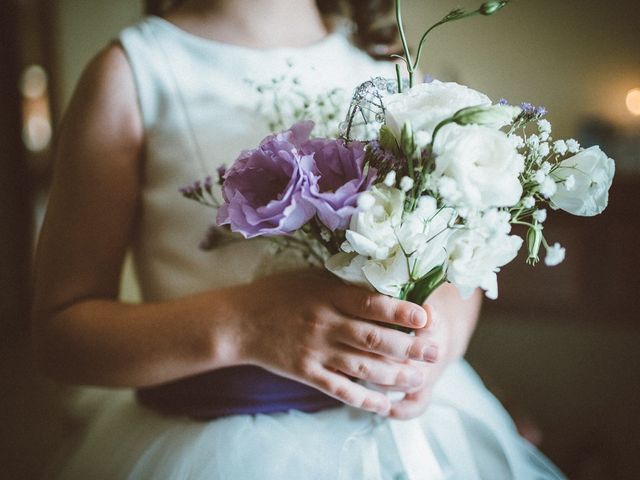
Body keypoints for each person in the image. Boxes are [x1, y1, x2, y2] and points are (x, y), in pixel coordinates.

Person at [32, 0, 565, 478]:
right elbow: (60, 336)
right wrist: (246, 323)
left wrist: (443, 333)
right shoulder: (135, 72)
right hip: (218, 445)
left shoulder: (389, 67)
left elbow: (455, 255)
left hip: (406, 435)